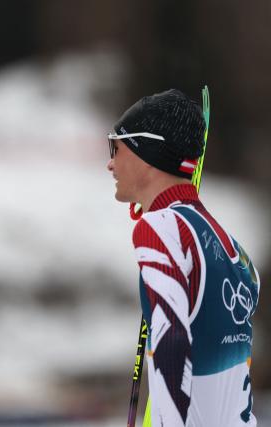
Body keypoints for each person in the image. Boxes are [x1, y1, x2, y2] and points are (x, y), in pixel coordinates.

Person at [107, 89, 260, 426]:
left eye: (115, 147)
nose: (110, 163)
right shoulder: (232, 246)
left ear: (145, 153)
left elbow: (172, 340)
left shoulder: (160, 227)